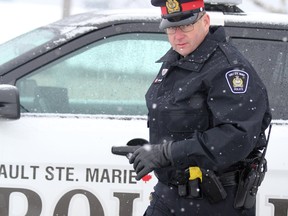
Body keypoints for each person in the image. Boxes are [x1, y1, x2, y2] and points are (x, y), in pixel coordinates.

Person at [116, 0, 272, 215]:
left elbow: (237, 136)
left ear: (205, 21)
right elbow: (180, 121)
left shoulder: (228, 68)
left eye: (185, 26)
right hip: (169, 195)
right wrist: (152, 149)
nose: (177, 35)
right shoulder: (177, 60)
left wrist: (169, 152)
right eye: (170, 27)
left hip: (214, 201)